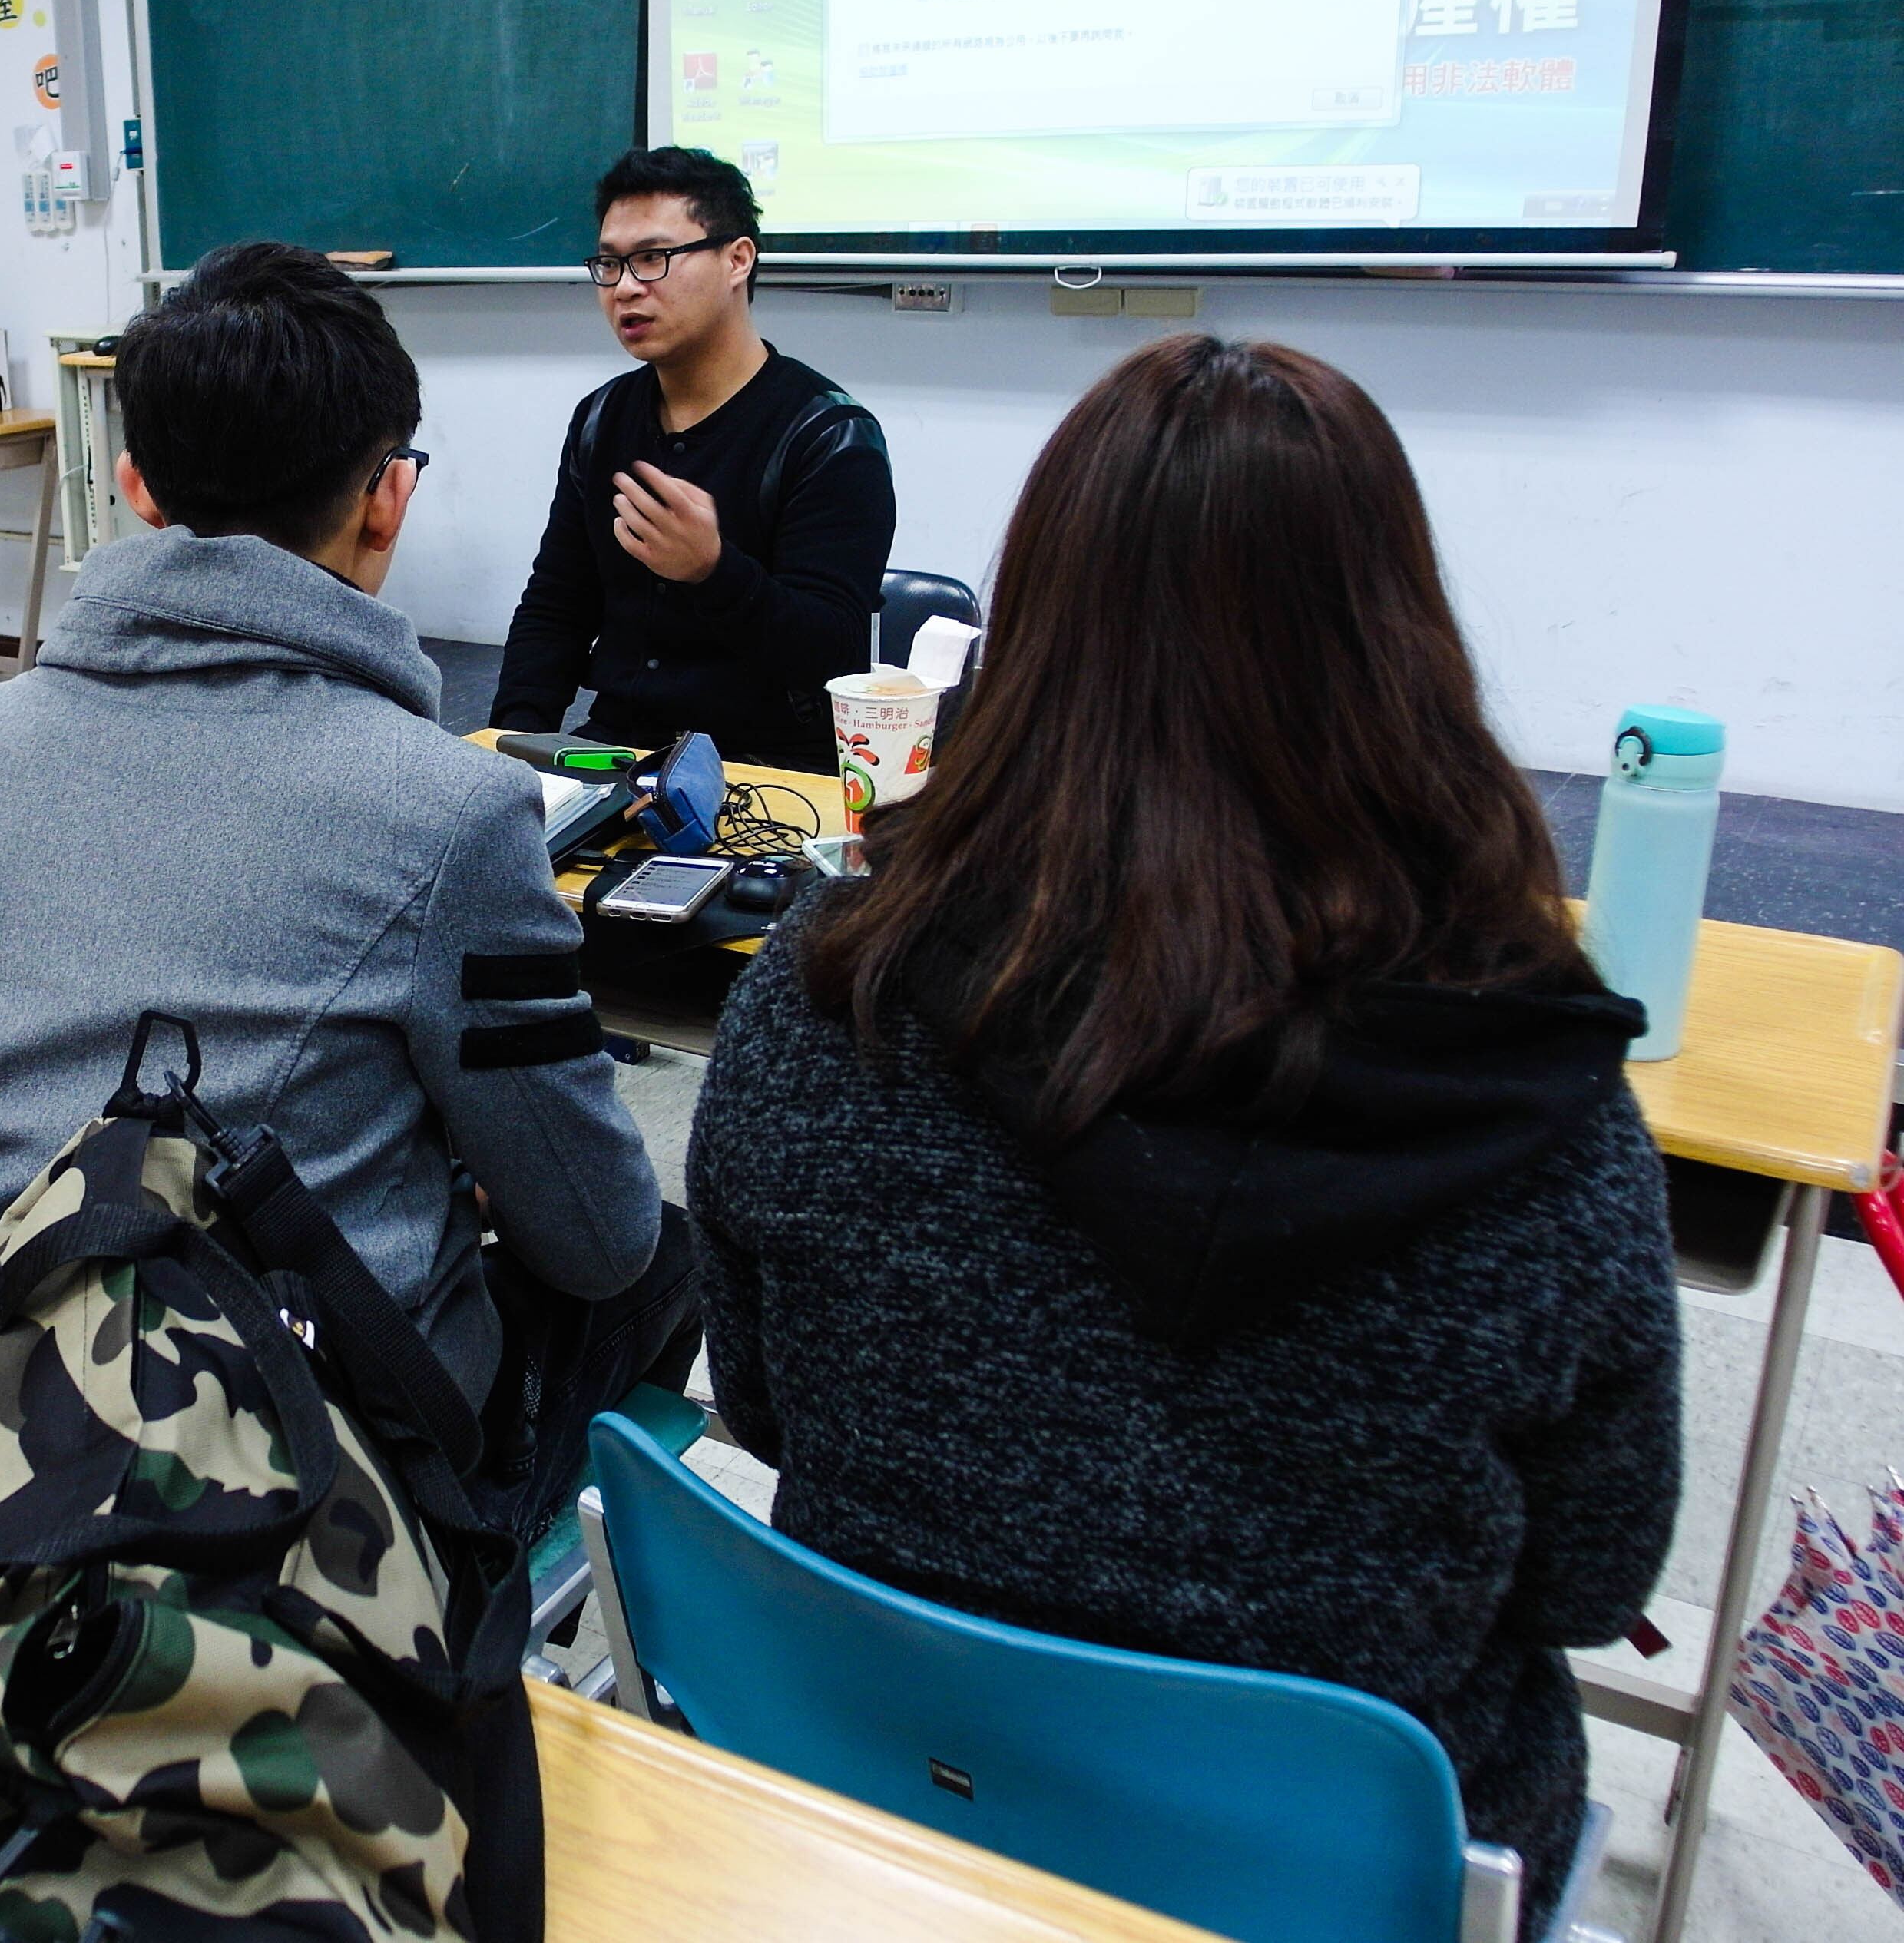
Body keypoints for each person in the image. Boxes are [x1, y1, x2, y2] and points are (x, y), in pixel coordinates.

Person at [687, 334, 1680, 1941]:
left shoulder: (823, 991)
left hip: (878, 1803)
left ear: (1025, 639)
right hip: (1333, 1882)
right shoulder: (1544, 1118)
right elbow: (1590, 1584)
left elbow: (762, 1408)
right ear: (1394, 648)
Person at [0, 243, 694, 1537]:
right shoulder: (450, 807)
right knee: (661, 1253)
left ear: (138, 487)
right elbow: (595, 1238)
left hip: (3, 1404)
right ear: (386, 498)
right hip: (305, 1480)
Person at [490, 146, 896, 770]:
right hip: (619, 751)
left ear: (738, 259)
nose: (625, 289)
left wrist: (712, 571)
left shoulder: (831, 435)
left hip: (766, 768)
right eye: (609, 264)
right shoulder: (601, 419)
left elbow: (834, 653)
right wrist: (512, 751)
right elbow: (557, 604)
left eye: (653, 259)